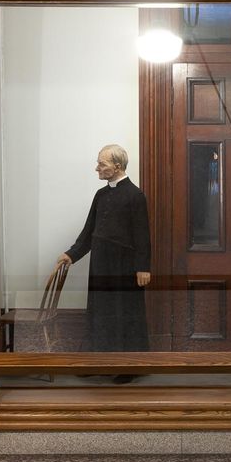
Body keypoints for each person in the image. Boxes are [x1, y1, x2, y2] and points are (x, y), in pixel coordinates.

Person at [55, 144, 152, 374]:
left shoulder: (136, 195)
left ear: (117, 166)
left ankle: (128, 369)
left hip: (124, 268)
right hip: (101, 264)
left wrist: (143, 268)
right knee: (100, 311)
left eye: (102, 164)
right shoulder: (100, 194)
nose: (96, 168)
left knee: (123, 313)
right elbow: (89, 231)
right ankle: (98, 363)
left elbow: (142, 235)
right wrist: (72, 254)